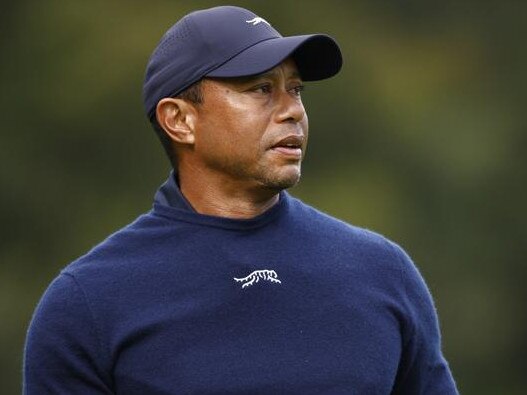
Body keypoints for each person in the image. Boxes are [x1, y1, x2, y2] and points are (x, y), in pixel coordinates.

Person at [23, 5, 458, 394]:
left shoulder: (381, 272)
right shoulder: (88, 303)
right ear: (179, 120)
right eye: (261, 89)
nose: (293, 110)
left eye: (296, 89)